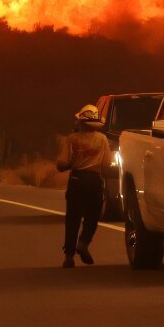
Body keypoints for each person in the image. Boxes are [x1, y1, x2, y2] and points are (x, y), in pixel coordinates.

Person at [57, 104, 111, 268]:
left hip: (76, 181)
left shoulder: (71, 139)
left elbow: (62, 163)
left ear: (80, 122)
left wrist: (71, 164)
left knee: (72, 218)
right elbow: (107, 164)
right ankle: (84, 243)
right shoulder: (102, 139)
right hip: (94, 181)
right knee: (92, 217)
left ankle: (69, 255)